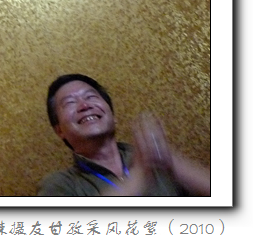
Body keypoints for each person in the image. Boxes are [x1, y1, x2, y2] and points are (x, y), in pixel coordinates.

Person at [37, 74, 210, 196]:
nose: (84, 105)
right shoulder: (59, 184)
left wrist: (171, 160)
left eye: (90, 97)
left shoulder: (153, 156)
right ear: (59, 131)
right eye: (70, 102)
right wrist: (140, 175)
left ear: (113, 116)